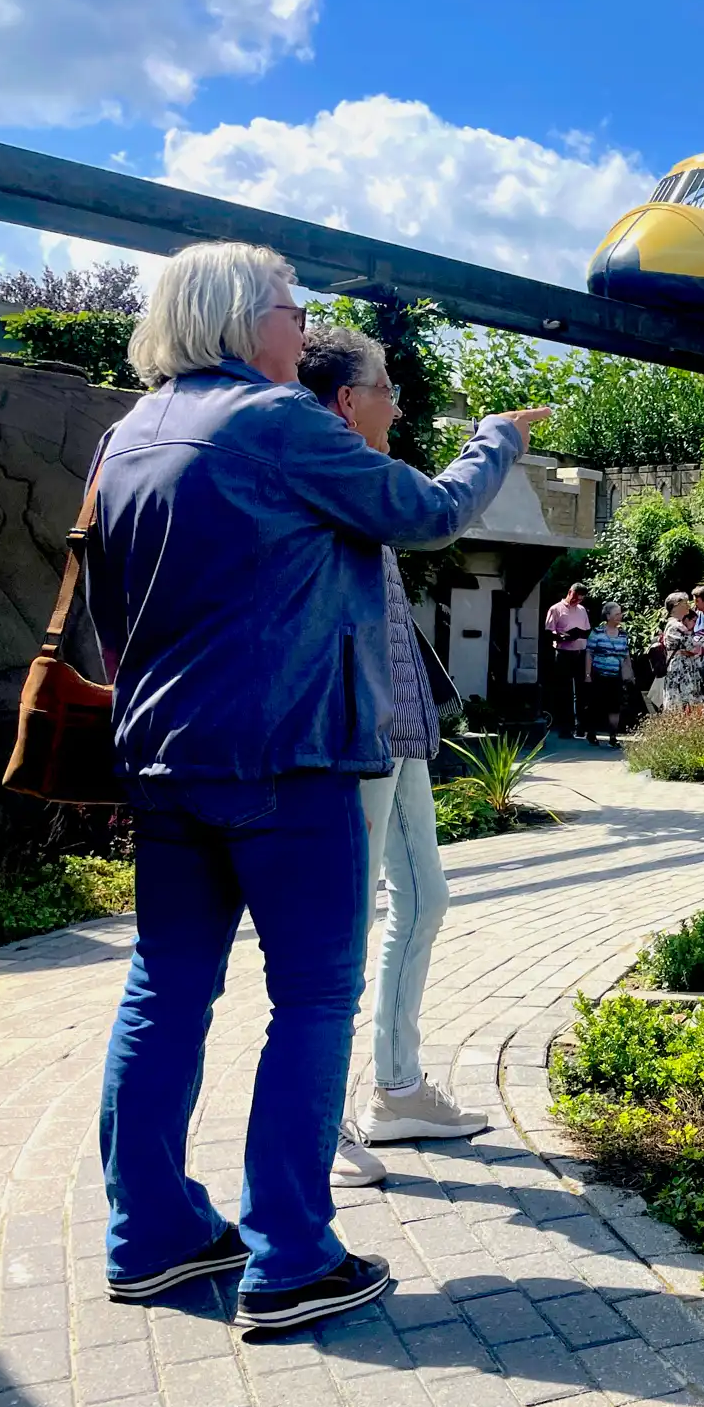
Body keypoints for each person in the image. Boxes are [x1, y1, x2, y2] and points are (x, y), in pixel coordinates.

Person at [85, 241, 545, 1332]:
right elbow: (427, 514)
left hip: (161, 756)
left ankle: (149, 1237)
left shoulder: (129, 433)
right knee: (313, 1000)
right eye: (292, 309)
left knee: (165, 990)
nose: (302, 328)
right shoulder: (276, 420)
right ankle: (290, 1256)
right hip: (287, 760)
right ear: (249, 320)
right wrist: (491, 443)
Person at [297, 328, 532, 1184]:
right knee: (345, 928)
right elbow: (439, 512)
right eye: (385, 388)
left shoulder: (359, 479)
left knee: (425, 898)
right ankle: (321, 1122)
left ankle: (395, 1091)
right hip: (356, 737)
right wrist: (497, 438)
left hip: (398, 733)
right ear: (346, 400)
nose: (398, 404)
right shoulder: (323, 473)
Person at [583, 602, 633, 748]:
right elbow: (589, 653)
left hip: (615, 675)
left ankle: (613, 735)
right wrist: (587, 674)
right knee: (596, 704)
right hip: (599, 674)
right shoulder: (597, 632)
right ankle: (591, 733)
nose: (620, 616)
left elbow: (626, 655)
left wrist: (629, 673)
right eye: (617, 613)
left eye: (620, 613)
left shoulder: (623, 634)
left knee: (615, 706)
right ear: (608, 616)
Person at [544, 583, 592, 736]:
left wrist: (580, 634)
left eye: (580, 600)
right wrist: (561, 636)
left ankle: (580, 726)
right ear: (570, 592)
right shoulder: (556, 609)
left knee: (582, 690)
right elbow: (548, 632)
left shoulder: (582, 610)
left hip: (580, 652)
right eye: (574, 599)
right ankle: (565, 727)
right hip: (563, 652)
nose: (576, 602)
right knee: (563, 691)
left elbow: (587, 631)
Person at [660, 592, 704, 710]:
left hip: (684, 665)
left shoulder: (677, 624)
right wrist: (693, 649)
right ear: (676, 606)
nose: (688, 605)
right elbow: (693, 647)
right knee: (683, 701)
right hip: (680, 668)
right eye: (685, 603)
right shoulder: (675, 626)